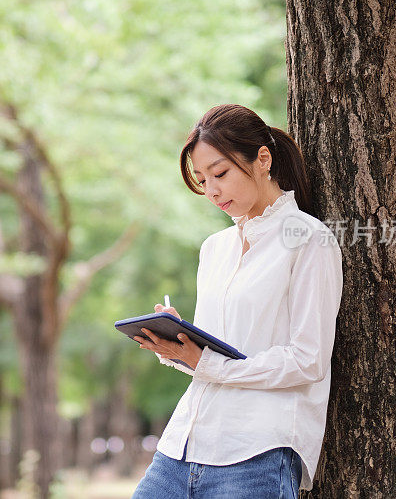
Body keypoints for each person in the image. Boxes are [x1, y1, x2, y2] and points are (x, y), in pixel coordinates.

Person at [131, 104, 344, 498]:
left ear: (263, 159)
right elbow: (215, 359)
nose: (211, 190)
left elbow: (308, 360)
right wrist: (180, 345)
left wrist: (204, 361)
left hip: (257, 453)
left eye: (221, 173)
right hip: (181, 447)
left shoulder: (309, 240)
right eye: (202, 179)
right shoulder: (215, 248)